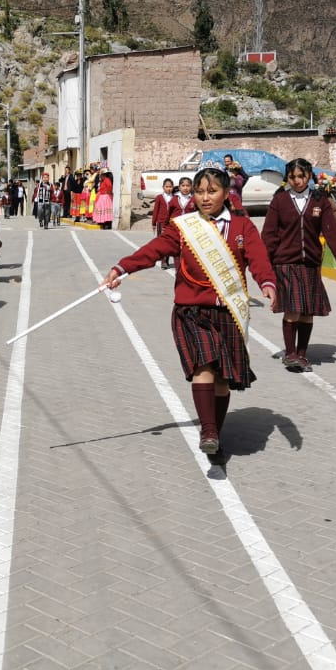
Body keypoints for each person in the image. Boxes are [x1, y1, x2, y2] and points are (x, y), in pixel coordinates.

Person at [104, 167, 277, 461]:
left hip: (227, 312)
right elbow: (155, 249)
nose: (205, 197)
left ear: (226, 193)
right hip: (191, 310)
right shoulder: (182, 227)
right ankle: (208, 431)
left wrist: (267, 282)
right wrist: (123, 267)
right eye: (199, 192)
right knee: (203, 367)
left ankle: (215, 434)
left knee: (222, 378)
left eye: (212, 191)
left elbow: (258, 258)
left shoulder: (242, 227)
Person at [261, 158, 336, 373]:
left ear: (309, 176)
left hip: (311, 264)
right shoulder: (280, 201)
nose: (297, 181)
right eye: (292, 177)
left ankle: (302, 354)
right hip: (286, 263)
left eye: (301, 176)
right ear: (288, 178)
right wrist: (263, 268)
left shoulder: (319, 201)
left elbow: (332, 234)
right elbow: (269, 235)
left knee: (307, 312)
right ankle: (290, 353)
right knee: (293, 309)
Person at [150, 178, 183, 270]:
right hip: (161, 223)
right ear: (163, 187)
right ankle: (163, 261)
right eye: (167, 187)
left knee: (171, 241)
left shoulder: (175, 198)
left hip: (172, 223)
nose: (168, 188)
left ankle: (167, 260)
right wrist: (154, 223)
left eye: (170, 186)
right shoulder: (159, 197)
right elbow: (155, 211)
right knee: (163, 242)